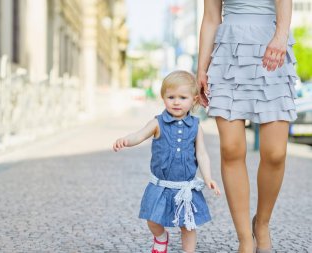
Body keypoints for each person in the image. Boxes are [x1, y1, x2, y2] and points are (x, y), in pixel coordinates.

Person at [197, 0, 297, 252]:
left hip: (273, 47)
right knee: (231, 149)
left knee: (276, 153)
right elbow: (210, 17)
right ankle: (244, 238)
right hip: (228, 53)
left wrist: (281, 36)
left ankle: (261, 224)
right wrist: (201, 68)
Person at [113, 70, 221, 253]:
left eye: (182, 97)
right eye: (171, 97)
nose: (176, 102)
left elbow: (201, 153)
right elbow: (139, 135)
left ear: (194, 100)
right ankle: (161, 237)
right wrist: (126, 140)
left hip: (185, 187)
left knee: (188, 225)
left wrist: (208, 177)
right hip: (161, 185)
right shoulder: (158, 123)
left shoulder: (195, 126)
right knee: (152, 219)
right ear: (163, 98)